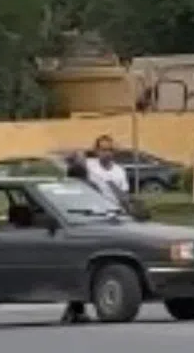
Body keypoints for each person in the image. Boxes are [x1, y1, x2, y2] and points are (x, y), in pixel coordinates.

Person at [60, 154, 93, 324]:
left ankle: (74, 309)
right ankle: (75, 309)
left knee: (79, 271)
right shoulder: (86, 190)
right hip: (84, 234)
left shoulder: (64, 190)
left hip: (77, 234)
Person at [85, 135, 130, 205]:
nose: (108, 153)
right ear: (97, 151)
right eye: (104, 150)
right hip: (93, 210)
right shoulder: (89, 165)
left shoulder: (119, 171)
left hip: (113, 211)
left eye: (110, 150)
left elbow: (125, 197)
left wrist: (111, 185)